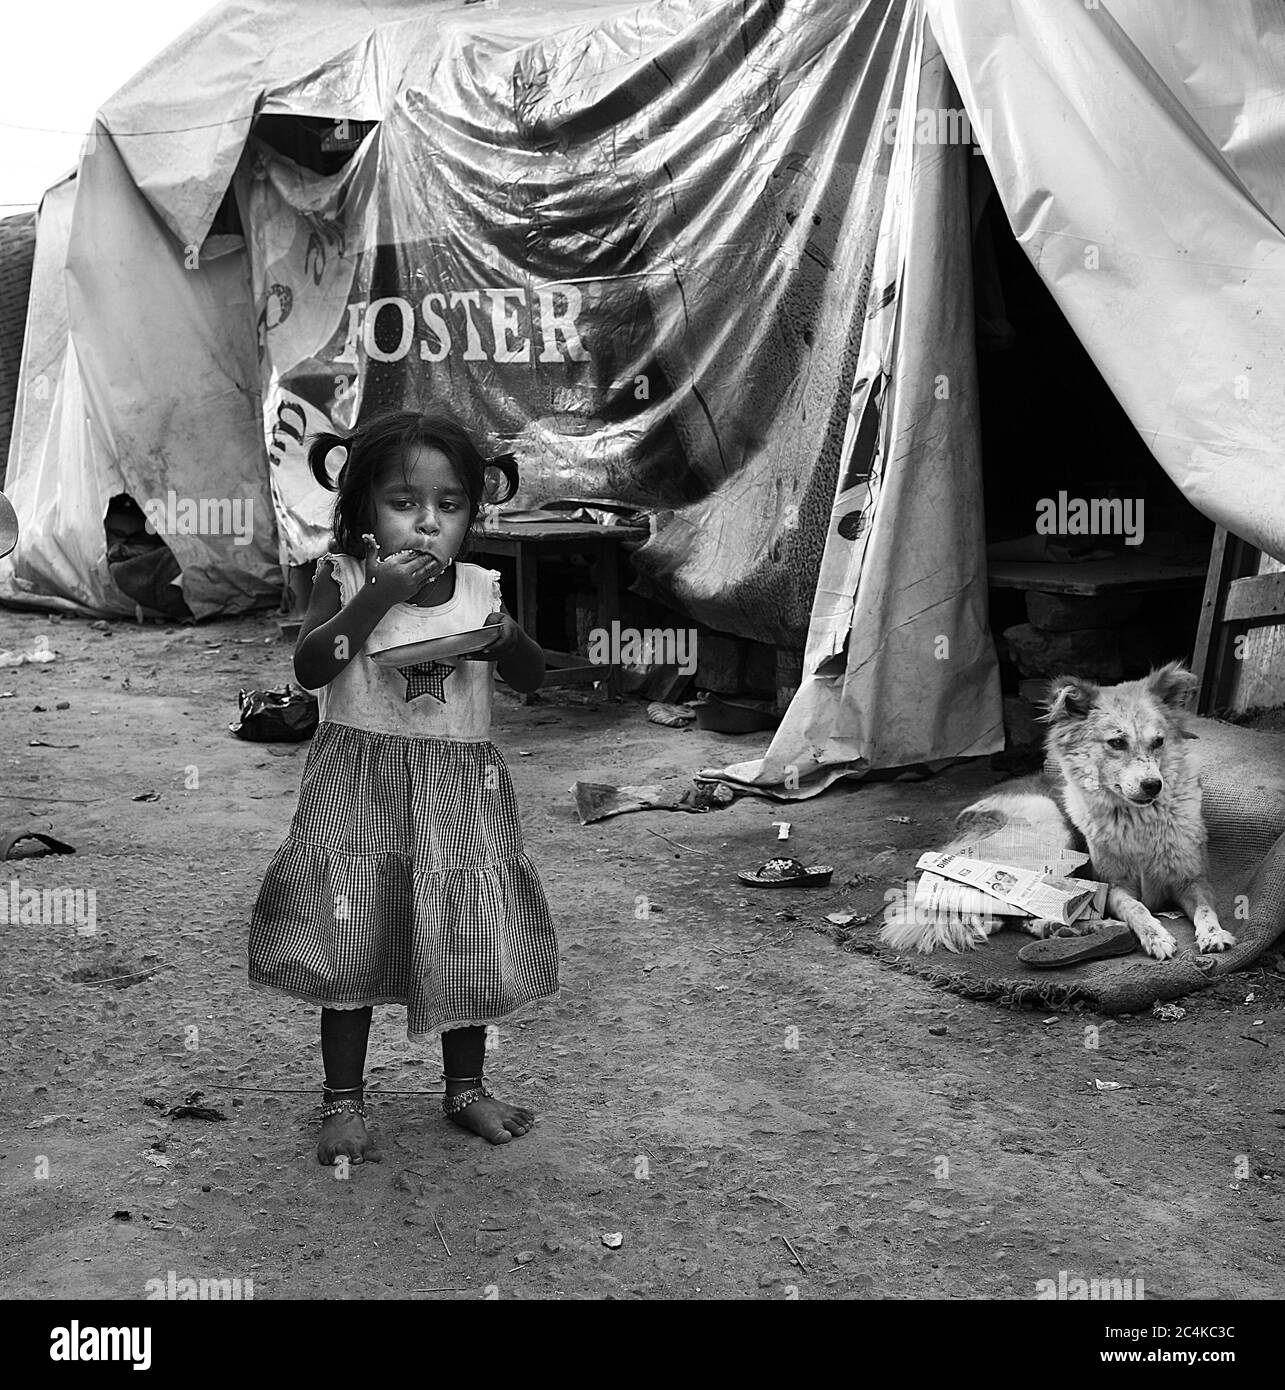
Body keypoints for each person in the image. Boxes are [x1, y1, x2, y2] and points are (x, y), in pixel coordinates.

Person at [249, 408, 558, 1164]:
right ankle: (343, 1100)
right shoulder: (345, 577)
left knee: (465, 933)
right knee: (347, 936)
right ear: (361, 511)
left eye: (448, 507)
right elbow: (313, 667)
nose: (427, 524)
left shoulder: (482, 587)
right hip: (360, 782)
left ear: (471, 515)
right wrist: (374, 597)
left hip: (458, 789)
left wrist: (510, 638)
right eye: (403, 504)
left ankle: (465, 1089)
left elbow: (532, 681)